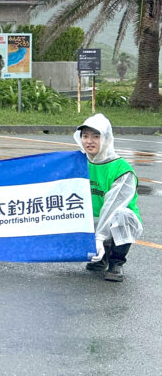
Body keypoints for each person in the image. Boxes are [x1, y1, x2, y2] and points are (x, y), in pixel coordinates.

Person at [77, 113, 142, 282]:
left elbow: (113, 207)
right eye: (85, 136)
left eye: (95, 136)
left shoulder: (121, 169)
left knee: (122, 217)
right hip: (92, 216)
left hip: (114, 217)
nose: (89, 141)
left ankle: (116, 262)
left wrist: (99, 238)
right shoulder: (80, 161)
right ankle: (101, 257)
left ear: (106, 139)